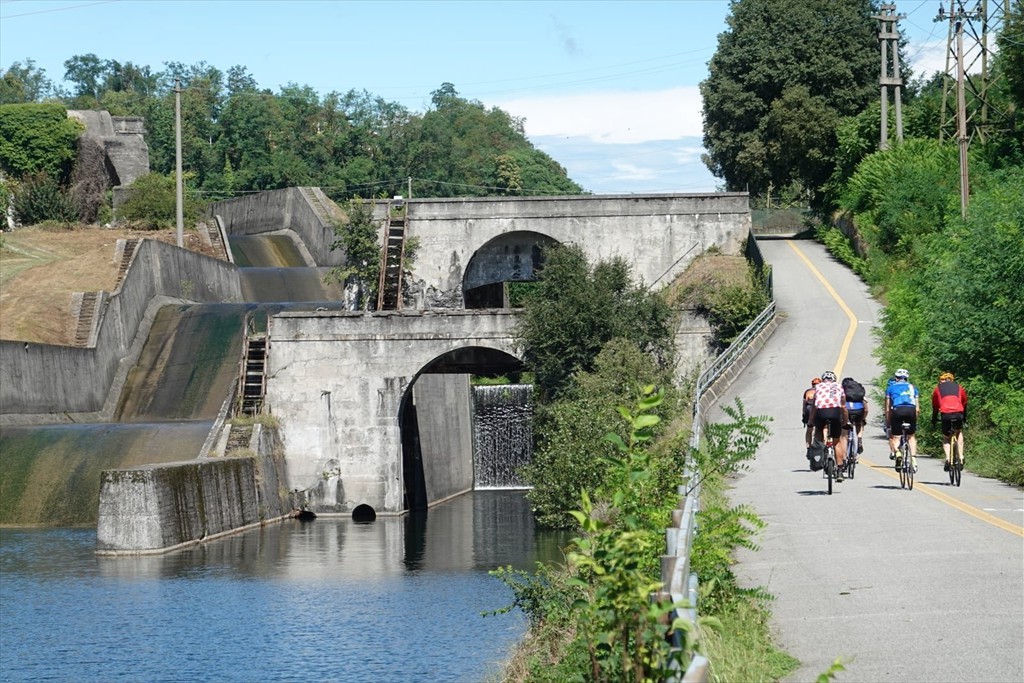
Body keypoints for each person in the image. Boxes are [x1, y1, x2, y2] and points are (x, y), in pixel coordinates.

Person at [809, 370, 848, 481]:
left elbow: (814, 407)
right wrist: (845, 421)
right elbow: (843, 407)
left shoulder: (818, 387)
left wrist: (811, 421)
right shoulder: (839, 387)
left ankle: (820, 452)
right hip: (835, 412)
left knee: (818, 432)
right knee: (837, 442)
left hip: (821, 412)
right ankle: (840, 471)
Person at [932, 372, 968, 472]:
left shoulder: (937, 389)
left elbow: (935, 407)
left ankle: (948, 459)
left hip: (946, 414)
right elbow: (965, 403)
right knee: (958, 431)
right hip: (958, 413)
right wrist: (964, 418)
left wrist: (934, 419)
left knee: (946, 438)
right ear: (952, 380)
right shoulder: (959, 387)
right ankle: (961, 456)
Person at [885, 368, 919, 472]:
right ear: (907, 378)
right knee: (911, 436)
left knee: (896, 437)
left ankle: (898, 453)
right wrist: (915, 420)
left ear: (896, 378)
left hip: (897, 410)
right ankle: (913, 459)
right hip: (911, 410)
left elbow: (887, 408)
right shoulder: (913, 388)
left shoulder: (890, 388)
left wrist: (888, 421)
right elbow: (917, 409)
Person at [841, 376, 868, 455]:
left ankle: (844, 451)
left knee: (844, 430)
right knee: (859, 423)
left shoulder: (842, 392)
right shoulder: (859, 393)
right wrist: (863, 418)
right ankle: (859, 439)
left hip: (847, 411)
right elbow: (866, 408)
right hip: (859, 411)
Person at [802, 377, 822, 453]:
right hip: (818, 409)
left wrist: (804, 415)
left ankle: (808, 448)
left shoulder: (807, 391)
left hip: (808, 409)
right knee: (823, 428)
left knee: (809, 429)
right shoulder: (822, 390)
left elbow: (804, 405)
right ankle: (822, 445)